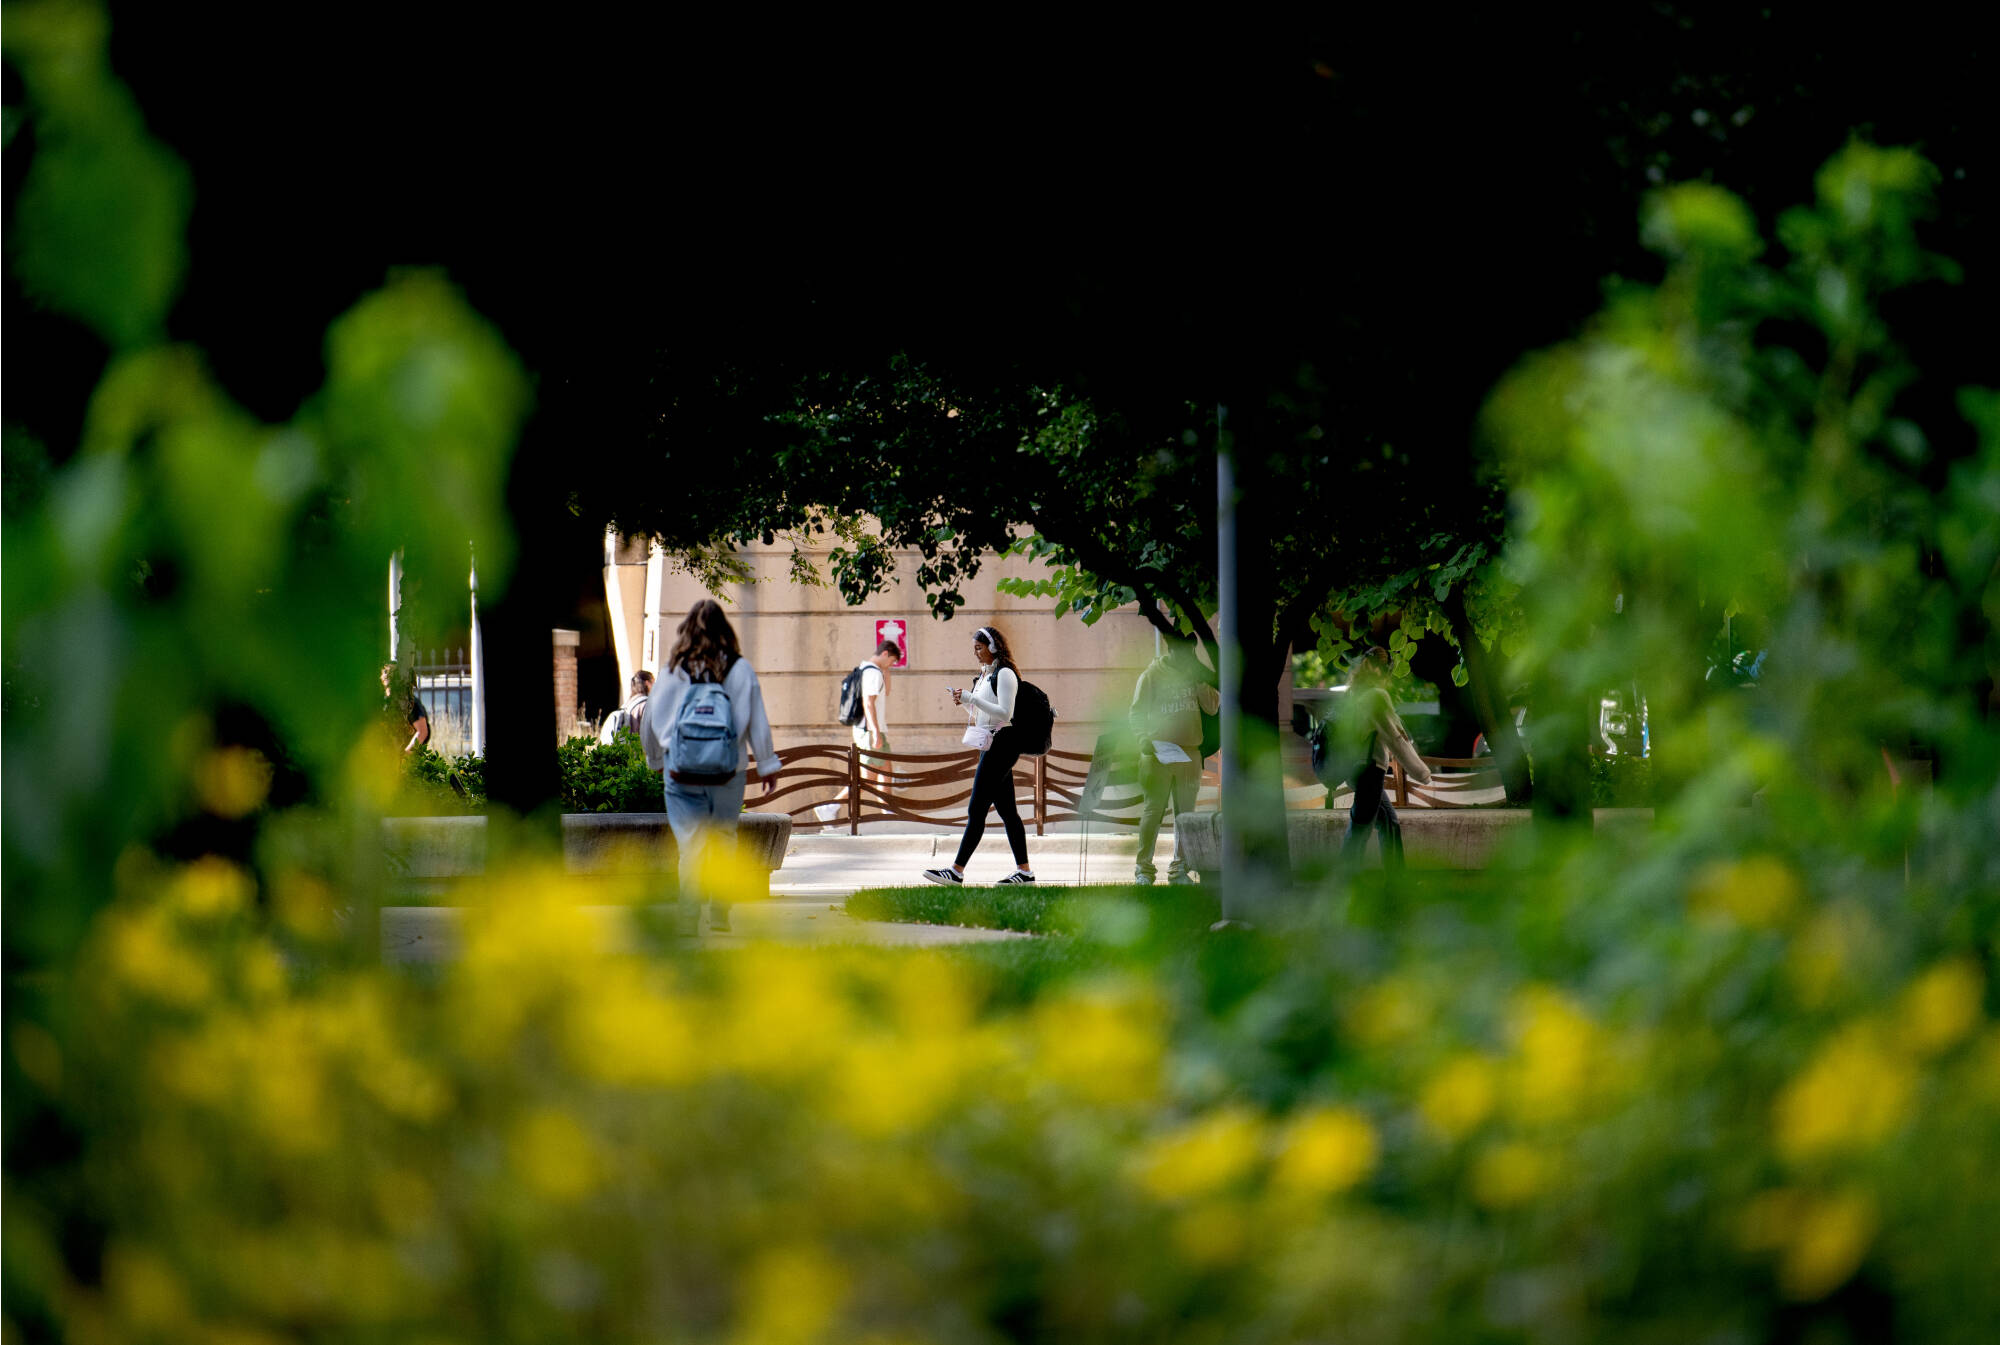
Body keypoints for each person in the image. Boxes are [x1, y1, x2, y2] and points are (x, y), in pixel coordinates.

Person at [642, 600, 780, 933]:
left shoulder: (673, 670)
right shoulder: (740, 669)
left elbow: (650, 720)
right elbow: (757, 721)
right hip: (728, 770)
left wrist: (656, 760)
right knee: (723, 838)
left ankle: (689, 918)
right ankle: (719, 913)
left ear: (686, 631)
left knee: (690, 845)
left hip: (681, 769)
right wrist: (766, 764)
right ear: (726, 631)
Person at [923, 625, 1035, 885]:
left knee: (976, 809)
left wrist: (972, 698)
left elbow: (1005, 714)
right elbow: (983, 716)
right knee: (1008, 812)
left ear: (993, 647)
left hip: (1003, 744)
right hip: (993, 744)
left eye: (979, 647)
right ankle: (1025, 872)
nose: (976, 653)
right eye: (974, 648)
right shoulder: (986, 675)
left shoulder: (1005, 674)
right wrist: (966, 702)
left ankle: (956, 871)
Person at [1128, 637, 1221, 885]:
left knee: (1185, 815)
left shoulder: (1195, 674)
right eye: (1183, 653)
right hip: (1157, 753)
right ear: (1172, 650)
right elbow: (1135, 712)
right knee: (1152, 811)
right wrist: (1142, 739)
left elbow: (1212, 707)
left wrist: (1199, 679)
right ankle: (1143, 870)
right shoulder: (1152, 674)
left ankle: (1179, 869)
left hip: (1190, 752)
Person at [1336, 646, 1432, 874]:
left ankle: (1395, 882)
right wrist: (1423, 773)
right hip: (1370, 771)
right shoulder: (1377, 696)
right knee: (1359, 830)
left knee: (1389, 823)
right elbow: (1396, 738)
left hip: (1355, 769)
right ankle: (1343, 885)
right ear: (1383, 672)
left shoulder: (1353, 693)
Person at [820, 640, 901, 820]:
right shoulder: (872, 673)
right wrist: (875, 732)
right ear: (885, 653)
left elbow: (885, 692)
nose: (892, 665)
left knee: (886, 770)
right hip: (869, 731)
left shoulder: (868, 670)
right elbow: (868, 702)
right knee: (867, 777)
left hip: (869, 730)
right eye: (892, 661)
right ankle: (830, 807)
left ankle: (887, 809)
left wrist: (887, 669)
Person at [381, 663, 430, 754]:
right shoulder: (386, 702)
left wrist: (406, 753)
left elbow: (422, 731)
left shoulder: (409, 703)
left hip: (406, 758)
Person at [599, 669, 654, 745]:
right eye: (654, 683)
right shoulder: (646, 705)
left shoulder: (627, 705)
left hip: (624, 752)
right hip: (638, 754)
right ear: (647, 684)